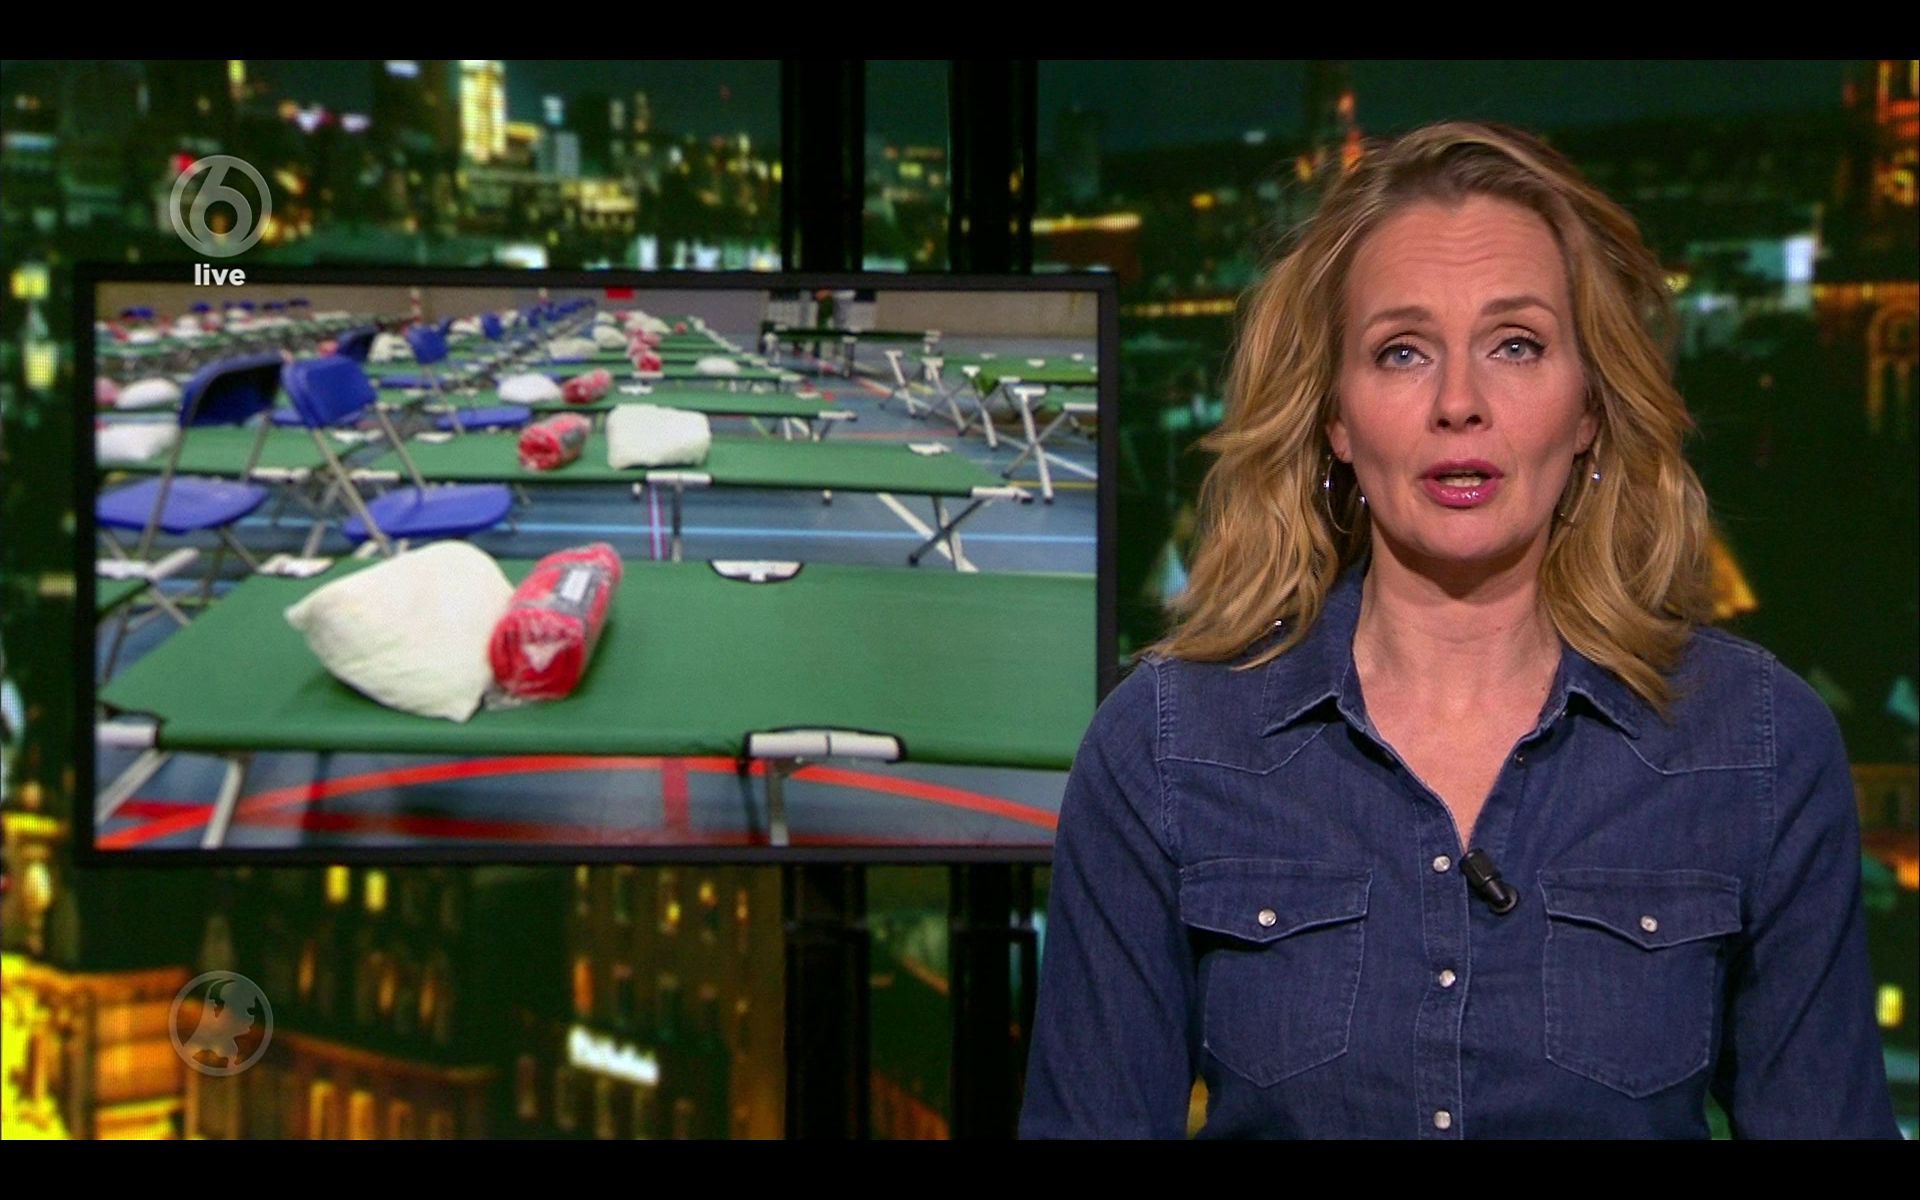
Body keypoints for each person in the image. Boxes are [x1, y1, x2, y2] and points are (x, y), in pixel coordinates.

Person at [1018, 121, 1901, 1139]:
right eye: (1402, 352)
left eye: (1515, 345)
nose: (1459, 404)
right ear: (1337, 418)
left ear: (1589, 406)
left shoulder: (1756, 743)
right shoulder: (1167, 748)